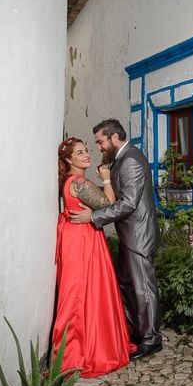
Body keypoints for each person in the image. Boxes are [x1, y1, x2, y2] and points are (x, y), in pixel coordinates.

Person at [70, 119, 162, 360]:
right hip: (130, 235)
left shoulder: (130, 159)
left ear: (113, 137)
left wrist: (94, 216)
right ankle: (138, 331)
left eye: (100, 141)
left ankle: (151, 339)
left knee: (143, 288)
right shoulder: (121, 158)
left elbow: (129, 203)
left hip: (139, 236)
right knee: (124, 283)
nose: (99, 147)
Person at [53, 137, 133, 377]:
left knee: (82, 291)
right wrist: (106, 178)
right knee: (84, 292)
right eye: (79, 153)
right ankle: (82, 351)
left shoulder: (71, 181)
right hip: (82, 240)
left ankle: (83, 346)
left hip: (77, 236)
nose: (86, 154)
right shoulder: (78, 182)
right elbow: (109, 202)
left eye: (86, 150)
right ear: (68, 160)